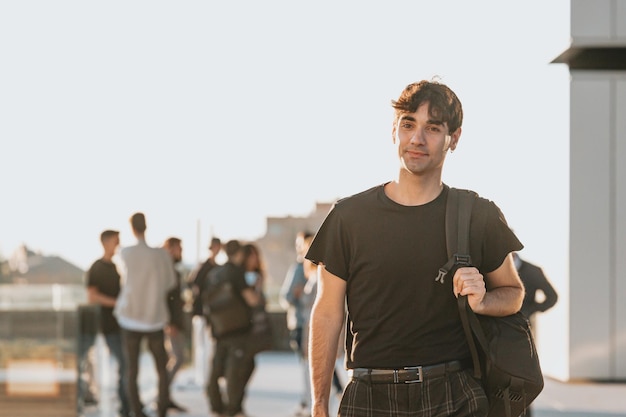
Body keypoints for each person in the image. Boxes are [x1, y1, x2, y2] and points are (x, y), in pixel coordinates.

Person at [305, 79, 525, 417]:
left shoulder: (477, 214)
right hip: (368, 395)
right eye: (409, 124)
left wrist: (483, 301)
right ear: (394, 130)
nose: (417, 138)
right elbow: (327, 312)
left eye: (433, 128)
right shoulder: (348, 217)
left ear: (455, 138)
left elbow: (513, 293)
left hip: (454, 394)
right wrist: (319, 403)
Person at [114, 213, 177, 417]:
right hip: (155, 317)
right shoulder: (161, 255)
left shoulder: (125, 253)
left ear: (131, 228)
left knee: (131, 369)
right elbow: (170, 283)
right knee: (162, 367)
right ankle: (161, 409)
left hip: (130, 317)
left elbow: (121, 282)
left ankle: (136, 411)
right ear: (146, 227)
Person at [205, 239, 260, 417]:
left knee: (217, 368)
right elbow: (251, 299)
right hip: (237, 329)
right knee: (237, 370)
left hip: (219, 329)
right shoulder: (236, 272)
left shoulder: (215, 273)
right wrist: (256, 291)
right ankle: (233, 409)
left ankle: (216, 407)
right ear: (240, 254)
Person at [84, 229, 130, 417]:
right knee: (123, 364)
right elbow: (92, 296)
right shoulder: (96, 267)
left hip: (119, 322)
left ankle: (125, 405)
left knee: (124, 365)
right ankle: (124, 406)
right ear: (106, 242)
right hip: (104, 324)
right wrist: (116, 303)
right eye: (115, 240)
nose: (118, 244)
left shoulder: (115, 267)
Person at [279, 231, 314, 415]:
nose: (299, 249)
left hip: (311, 324)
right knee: (309, 366)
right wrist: (296, 295)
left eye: (302, 244)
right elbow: (286, 297)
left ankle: (311, 402)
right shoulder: (299, 269)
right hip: (301, 324)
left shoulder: (316, 268)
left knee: (313, 366)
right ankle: (309, 401)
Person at [162, 237, 189, 413]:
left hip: (173, 322)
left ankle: (164, 396)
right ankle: (162, 395)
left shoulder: (171, 270)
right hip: (169, 323)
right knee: (178, 358)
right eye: (179, 248)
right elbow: (166, 299)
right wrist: (169, 323)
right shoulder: (165, 270)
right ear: (170, 248)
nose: (181, 251)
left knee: (174, 359)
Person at [513, 252, 558, 321]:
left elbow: (552, 296)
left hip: (523, 324)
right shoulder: (493, 269)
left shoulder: (532, 271)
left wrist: (530, 310)